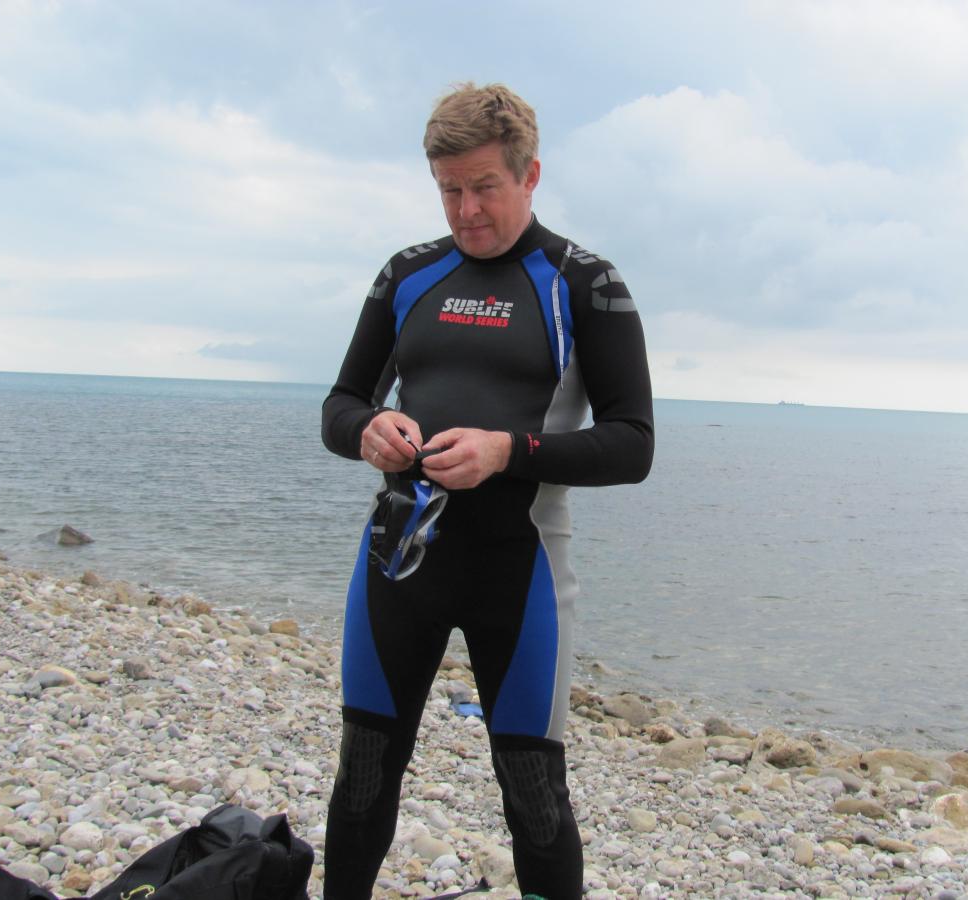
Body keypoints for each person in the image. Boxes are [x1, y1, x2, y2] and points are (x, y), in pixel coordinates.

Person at [321, 82, 654, 900]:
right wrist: (368, 430)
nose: (466, 211)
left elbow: (633, 444)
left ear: (530, 174)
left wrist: (508, 452)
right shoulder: (408, 273)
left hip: (521, 569)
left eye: (484, 187)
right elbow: (340, 405)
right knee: (364, 773)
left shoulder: (583, 282)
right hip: (400, 564)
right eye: (448, 190)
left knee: (533, 792)